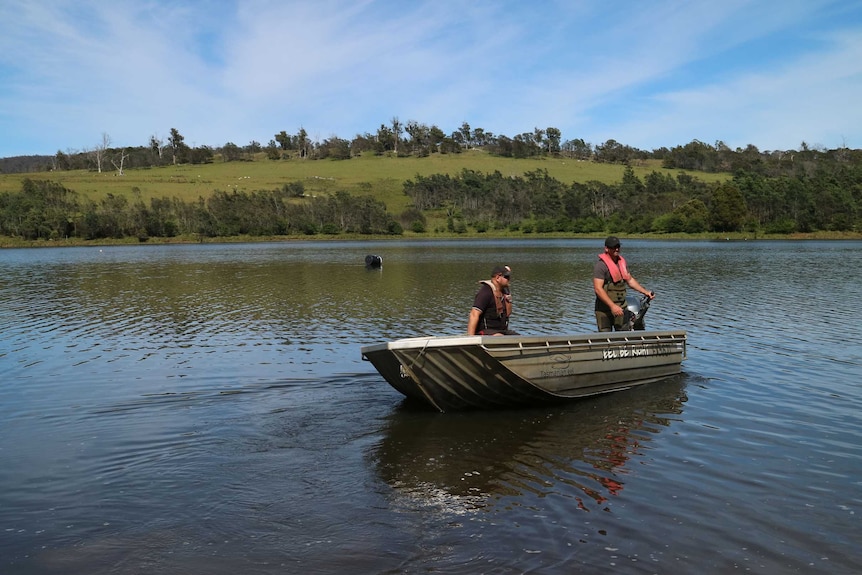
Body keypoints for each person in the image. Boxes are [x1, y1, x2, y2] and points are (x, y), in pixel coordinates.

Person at [593, 236, 654, 332]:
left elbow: (629, 280)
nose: (616, 249)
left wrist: (645, 292)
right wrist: (612, 306)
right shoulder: (600, 266)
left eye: (618, 246)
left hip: (621, 307)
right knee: (605, 337)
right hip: (604, 310)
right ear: (606, 248)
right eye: (613, 247)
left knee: (623, 336)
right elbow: (598, 289)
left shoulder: (622, 263)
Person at [467, 265, 518, 336]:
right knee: (499, 337)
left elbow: (508, 313)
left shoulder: (505, 292)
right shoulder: (485, 292)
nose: (509, 279)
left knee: (518, 338)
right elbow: (474, 314)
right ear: (497, 277)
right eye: (506, 277)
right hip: (485, 332)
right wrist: (471, 338)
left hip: (501, 331)